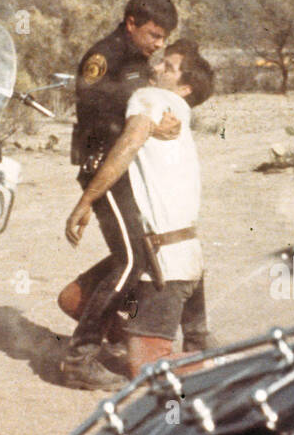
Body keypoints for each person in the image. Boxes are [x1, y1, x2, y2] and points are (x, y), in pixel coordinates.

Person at [65, 39, 216, 379]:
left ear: (185, 87)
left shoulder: (152, 98)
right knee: (73, 299)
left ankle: (83, 359)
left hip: (164, 268)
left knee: (149, 369)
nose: (158, 67)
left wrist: (86, 200)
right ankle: (195, 353)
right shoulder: (178, 112)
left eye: (169, 67)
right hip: (189, 261)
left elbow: (130, 141)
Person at [59, 0, 182, 388]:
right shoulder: (104, 56)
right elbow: (88, 95)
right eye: (153, 35)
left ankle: (84, 304)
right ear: (131, 23)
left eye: (163, 38)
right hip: (102, 167)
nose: (159, 44)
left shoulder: (138, 60)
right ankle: (80, 356)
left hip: (126, 167)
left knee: (136, 252)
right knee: (131, 259)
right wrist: (144, 107)